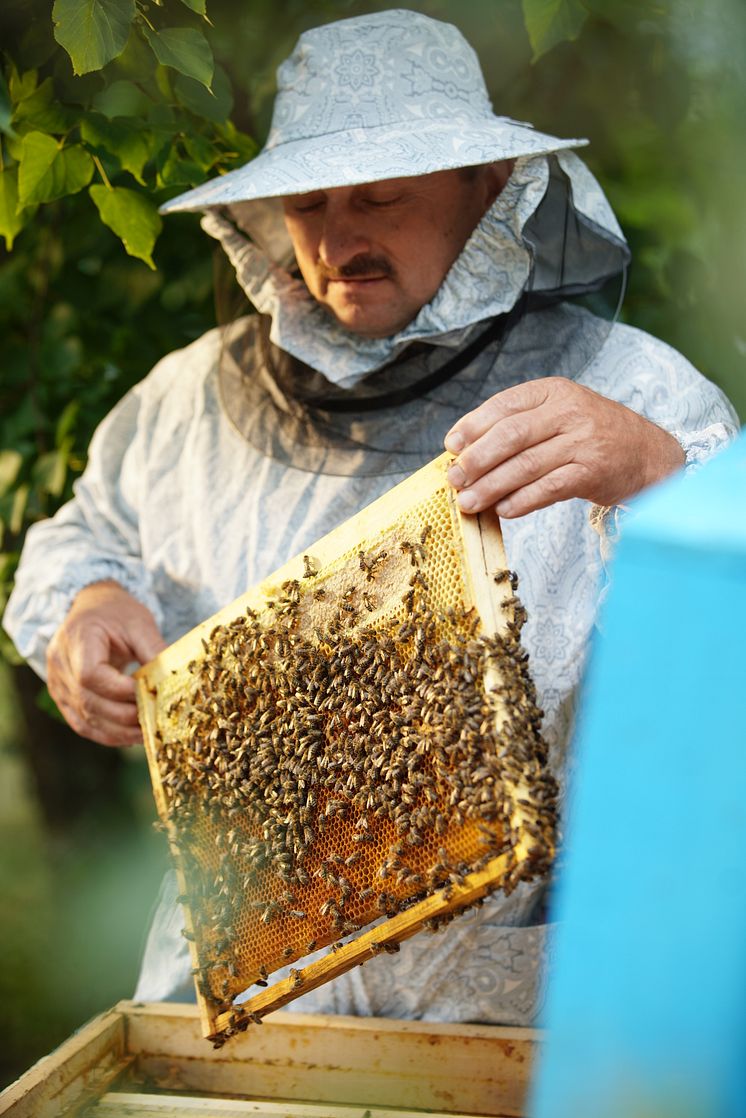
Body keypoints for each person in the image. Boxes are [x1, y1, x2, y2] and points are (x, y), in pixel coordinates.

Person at [3, 10, 738, 1023]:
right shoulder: (184, 401)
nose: (338, 235)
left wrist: (658, 475)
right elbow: (88, 532)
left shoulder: (631, 386)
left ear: (486, 188)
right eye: (306, 203)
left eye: (381, 197)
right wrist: (86, 609)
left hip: (509, 1008)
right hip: (254, 995)